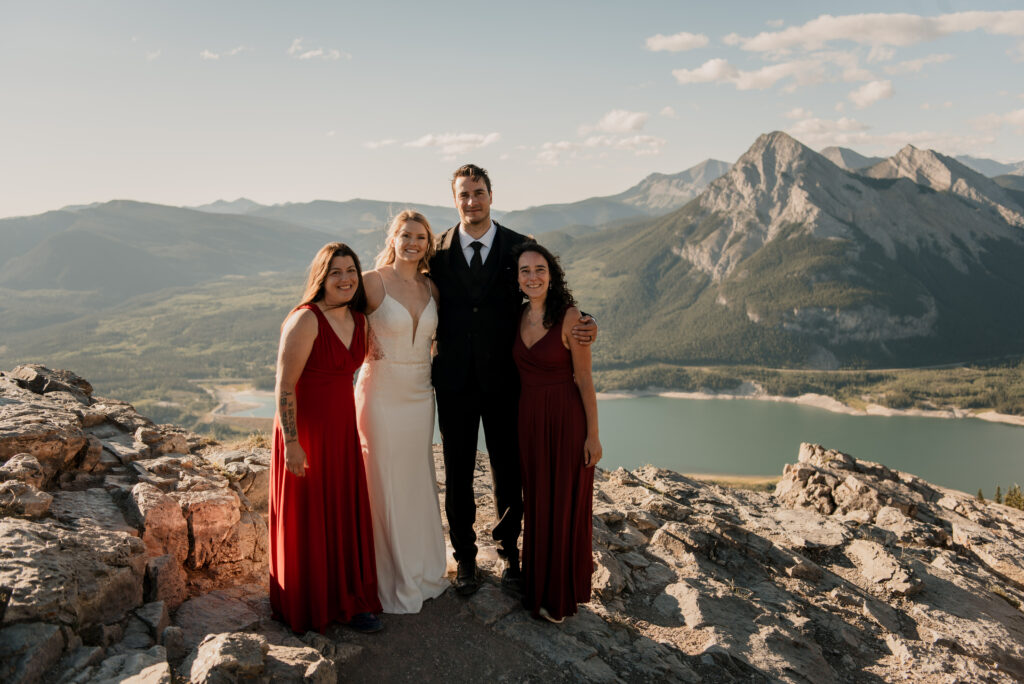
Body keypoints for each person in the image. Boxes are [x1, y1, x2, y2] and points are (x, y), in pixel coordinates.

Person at [429, 164, 597, 597]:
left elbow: (549, 291)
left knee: (509, 471)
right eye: (463, 194)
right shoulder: (436, 252)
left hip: (508, 383)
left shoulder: (519, 247)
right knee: (459, 470)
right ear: (454, 199)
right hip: (454, 382)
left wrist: (586, 322)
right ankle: (464, 556)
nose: (472, 201)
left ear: (491, 194)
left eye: (479, 192)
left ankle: (508, 553)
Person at [268, 242, 383, 634]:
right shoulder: (305, 320)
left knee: (342, 510)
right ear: (322, 277)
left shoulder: (359, 320)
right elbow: (284, 387)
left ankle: (350, 600)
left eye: (351, 270)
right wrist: (293, 442)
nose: (346, 278)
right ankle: (311, 602)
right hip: (307, 432)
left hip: (342, 432)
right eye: (336, 272)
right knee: (312, 515)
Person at [355, 210, 449, 613]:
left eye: (421, 238)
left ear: (428, 245)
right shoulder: (371, 283)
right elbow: (336, 321)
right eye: (406, 235)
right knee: (383, 482)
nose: (413, 243)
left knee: (415, 478)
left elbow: (441, 341)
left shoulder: (433, 288)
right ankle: (386, 577)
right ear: (392, 238)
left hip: (419, 394)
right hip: (380, 391)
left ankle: (424, 569)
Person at [512, 241, 601, 623]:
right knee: (537, 502)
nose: (533, 277)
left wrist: (593, 436)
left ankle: (559, 595)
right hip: (529, 420)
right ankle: (536, 585)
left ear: (552, 275)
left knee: (561, 503)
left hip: (566, 420)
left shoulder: (571, 318)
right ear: (517, 279)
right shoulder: (515, 317)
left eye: (539, 270)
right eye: (525, 271)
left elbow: (584, 379)